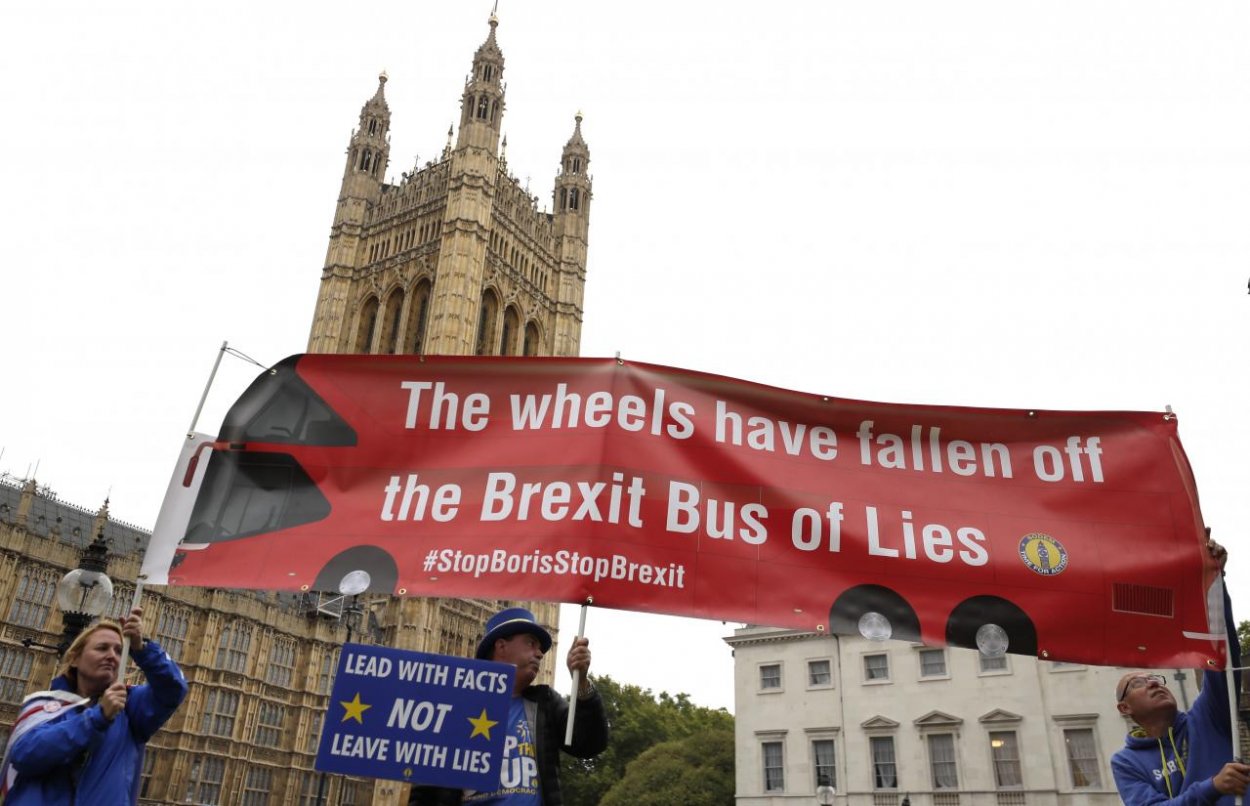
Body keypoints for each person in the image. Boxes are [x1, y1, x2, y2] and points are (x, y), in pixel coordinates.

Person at [410, 606, 610, 806]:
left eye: (540, 647)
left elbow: (590, 743)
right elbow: (425, 793)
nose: (540, 654)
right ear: (501, 647)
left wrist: (581, 680)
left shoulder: (544, 704)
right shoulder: (454, 709)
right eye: (531, 643)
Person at [0, 607, 188, 805]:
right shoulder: (45, 706)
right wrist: (97, 718)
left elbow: (173, 688)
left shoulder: (129, 709)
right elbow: (25, 755)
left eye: (119, 651)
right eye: (101, 648)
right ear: (74, 659)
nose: (112, 656)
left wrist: (142, 649)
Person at [1112, 539, 1249, 804]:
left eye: (1155, 678)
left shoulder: (1207, 717)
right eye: (1139, 682)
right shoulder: (1126, 762)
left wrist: (1212, 583)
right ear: (1124, 708)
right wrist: (1212, 787)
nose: (1154, 683)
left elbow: (1221, 654)